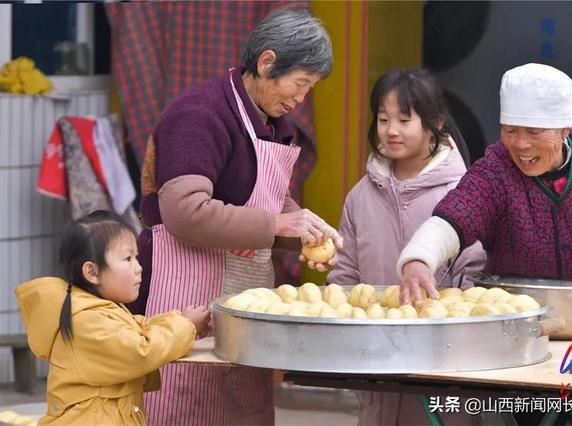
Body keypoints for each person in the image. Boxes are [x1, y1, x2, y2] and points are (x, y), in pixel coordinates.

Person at [397, 63, 572, 425]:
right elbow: (457, 215)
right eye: (510, 130)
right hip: (525, 344)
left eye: (534, 131)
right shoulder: (497, 168)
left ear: (564, 128)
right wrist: (418, 259)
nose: (520, 144)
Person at [134, 7, 341, 425]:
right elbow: (185, 211)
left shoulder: (270, 120)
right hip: (181, 289)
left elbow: (267, 200)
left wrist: (302, 228)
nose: (300, 100)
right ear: (266, 63)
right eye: (299, 84)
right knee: (178, 405)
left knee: (240, 409)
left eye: (309, 89)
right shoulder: (200, 114)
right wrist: (278, 225)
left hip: (241, 300)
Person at [327, 68, 485, 425]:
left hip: (445, 366)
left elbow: (474, 279)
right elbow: (344, 273)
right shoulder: (360, 196)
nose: (391, 130)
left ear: (434, 124)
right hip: (375, 362)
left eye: (404, 119)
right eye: (383, 119)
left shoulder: (463, 194)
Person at [14, 210, 210, 425]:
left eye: (136, 257)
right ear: (92, 272)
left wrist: (180, 319)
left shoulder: (99, 310)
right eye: (128, 259)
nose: (139, 268)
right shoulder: (87, 320)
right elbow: (140, 351)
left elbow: (137, 329)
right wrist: (185, 325)